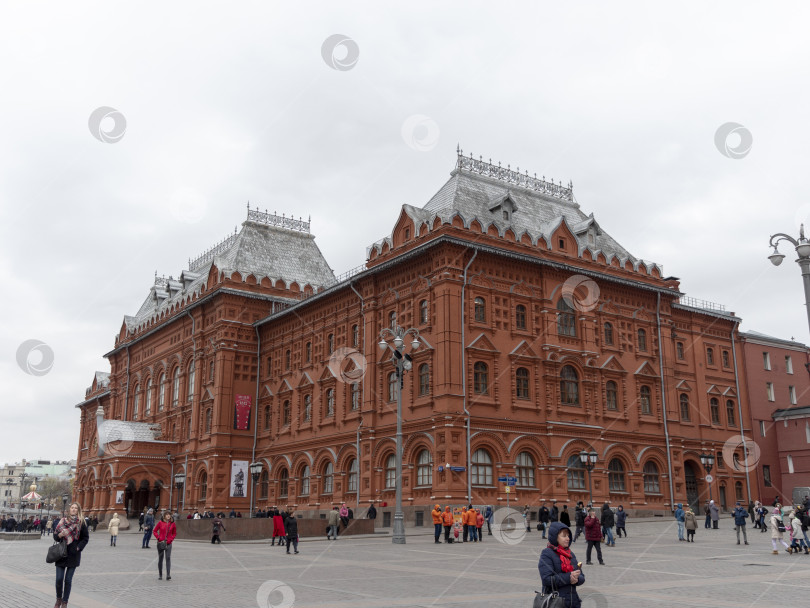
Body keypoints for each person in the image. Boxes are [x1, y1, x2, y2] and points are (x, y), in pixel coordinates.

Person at [538, 521, 585, 608]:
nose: (567, 538)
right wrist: (569, 577)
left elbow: (582, 576)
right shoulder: (547, 554)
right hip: (555, 603)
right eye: (564, 536)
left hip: (573, 602)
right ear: (555, 537)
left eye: (568, 536)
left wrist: (577, 578)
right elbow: (546, 579)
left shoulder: (570, 554)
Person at [53, 502, 89, 608]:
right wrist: (59, 535)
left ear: (78, 510)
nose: (73, 509)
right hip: (61, 553)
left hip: (73, 554)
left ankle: (65, 602)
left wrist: (78, 547)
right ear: (69, 509)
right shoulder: (62, 521)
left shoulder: (81, 523)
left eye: (75, 508)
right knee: (59, 579)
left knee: (68, 580)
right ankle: (58, 598)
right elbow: (55, 537)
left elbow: (85, 538)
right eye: (72, 508)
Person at [153, 511, 176, 580]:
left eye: (169, 515)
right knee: (161, 559)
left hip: (168, 543)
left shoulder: (173, 524)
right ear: (164, 516)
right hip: (161, 543)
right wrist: (158, 538)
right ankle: (160, 575)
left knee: (168, 558)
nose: (168, 516)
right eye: (167, 515)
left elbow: (174, 533)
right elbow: (154, 531)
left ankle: (168, 574)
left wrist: (170, 539)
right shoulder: (160, 523)